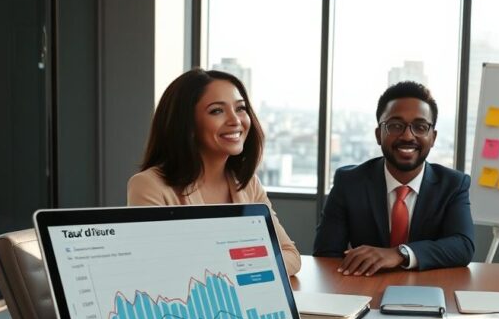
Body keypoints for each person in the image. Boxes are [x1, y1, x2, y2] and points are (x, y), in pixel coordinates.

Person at [128, 68, 301, 276]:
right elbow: (160, 271)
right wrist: (249, 263)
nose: (235, 120)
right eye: (217, 111)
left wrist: (238, 268)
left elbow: (290, 255)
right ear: (187, 124)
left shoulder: (247, 184)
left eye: (240, 108)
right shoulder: (149, 185)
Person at [313, 81, 474, 275]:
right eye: (395, 126)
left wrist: (400, 254)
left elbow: (463, 246)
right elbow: (325, 254)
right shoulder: (349, 182)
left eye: (420, 126)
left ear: (433, 137)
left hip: (430, 291)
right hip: (365, 291)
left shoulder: (453, 185)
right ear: (379, 134)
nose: (407, 136)